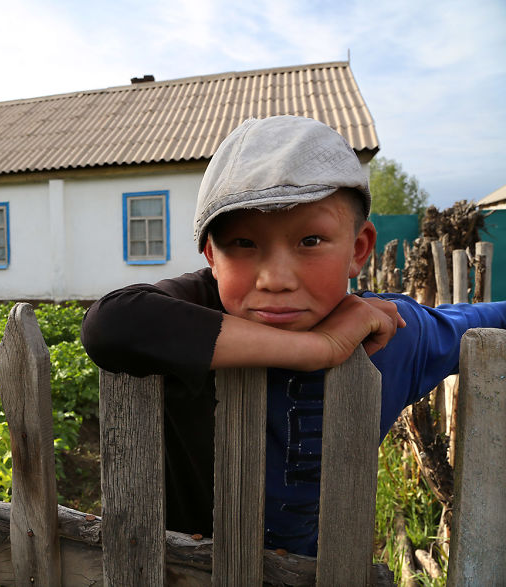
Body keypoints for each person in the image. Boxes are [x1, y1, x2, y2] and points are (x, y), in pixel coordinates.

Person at [80, 115, 506, 557]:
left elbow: (489, 322)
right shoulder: (196, 306)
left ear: (359, 248)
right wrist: (317, 348)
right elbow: (109, 323)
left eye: (311, 240)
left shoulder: (391, 332)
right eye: (243, 244)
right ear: (211, 255)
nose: (276, 280)